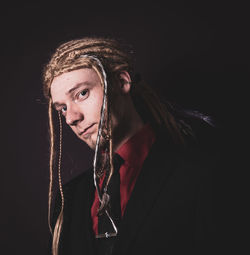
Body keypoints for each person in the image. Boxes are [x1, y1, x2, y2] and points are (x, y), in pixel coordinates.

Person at [43, 37, 221, 255]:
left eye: (82, 93)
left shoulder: (200, 171)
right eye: (62, 108)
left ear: (121, 82)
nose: (71, 117)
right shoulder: (69, 199)